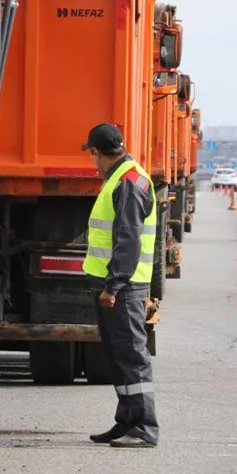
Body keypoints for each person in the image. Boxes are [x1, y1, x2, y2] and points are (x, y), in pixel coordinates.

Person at [80, 122, 159, 448]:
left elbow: (127, 240)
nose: (93, 163)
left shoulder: (127, 183)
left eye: (92, 156)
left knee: (131, 358)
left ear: (97, 153)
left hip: (124, 288)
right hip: (123, 285)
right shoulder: (126, 176)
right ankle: (126, 421)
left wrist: (113, 287)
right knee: (119, 357)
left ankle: (144, 429)